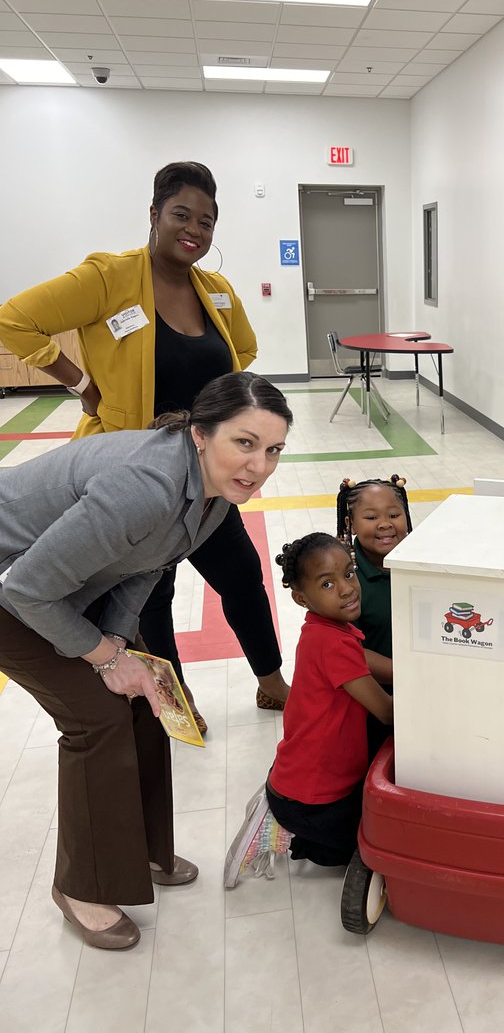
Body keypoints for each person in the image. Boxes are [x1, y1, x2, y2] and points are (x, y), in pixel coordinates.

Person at [0, 372, 292, 949]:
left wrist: (117, 645)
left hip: (57, 584)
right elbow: (26, 592)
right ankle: (82, 886)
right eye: (245, 442)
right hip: (12, 583)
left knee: (144, 701)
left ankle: (140, 855)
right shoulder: (147, 484)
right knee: (95, 717)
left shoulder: (211, 490)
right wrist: (106, 658)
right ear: (201, 433)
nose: (258, 466)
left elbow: (149, 564)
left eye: (273, 450)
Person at [0, 161, 290, 732]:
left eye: (207, 222)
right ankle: (173, 699)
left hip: (207, 466)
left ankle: (271, 681)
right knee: (150, 589)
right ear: (154, 214)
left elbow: (244, 353)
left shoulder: (217, 290)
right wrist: (84, 384)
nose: (195, 231)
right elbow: (13, 322)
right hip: (136, 470)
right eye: (182, 215)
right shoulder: (107, 279)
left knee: (240, 572)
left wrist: (212, 423)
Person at [244, 533, 393, 869]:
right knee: (372, 848)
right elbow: (385, 711)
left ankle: (295, 824)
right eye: (327, 584)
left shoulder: (322, 631)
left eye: (349, 573)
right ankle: (294, 837)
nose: (346, 589)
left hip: (294, 782)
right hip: (312, 801)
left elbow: (368, 661)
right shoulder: (332, 644)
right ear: (301, 598)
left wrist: (413, 670)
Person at [335, 475, 413, 686]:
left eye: (394, 515)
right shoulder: (346, 580)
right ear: (350, 524)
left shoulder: (420, 566)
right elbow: (348, 650)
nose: (385, 524)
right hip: (376, 693)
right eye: (371, 518)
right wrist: (410, 674)